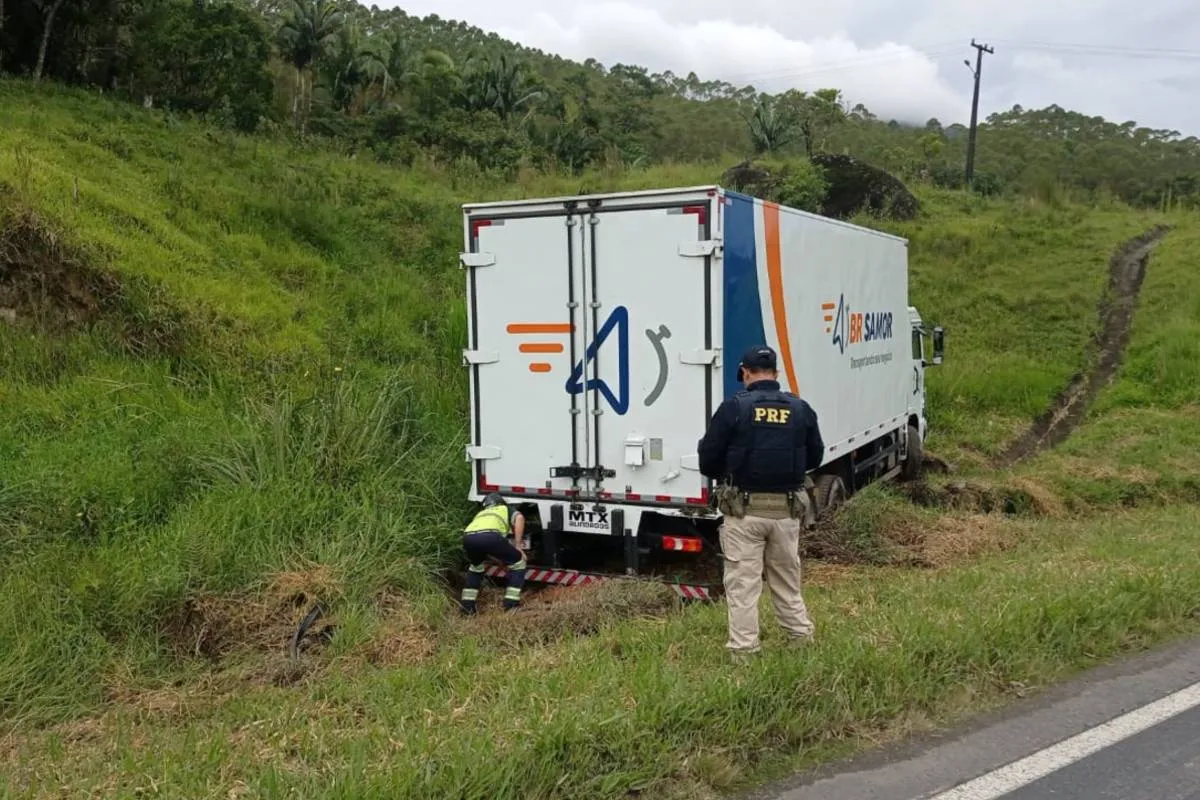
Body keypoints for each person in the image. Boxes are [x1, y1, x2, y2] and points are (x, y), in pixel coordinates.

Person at [697, 345, 825, 659]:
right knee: (787, 581)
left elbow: (708, 460)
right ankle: (800, 642)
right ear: (776, 374)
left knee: (743, 588)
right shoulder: (800, 408)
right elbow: (816, 456)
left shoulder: (734, 408)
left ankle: (744, 654)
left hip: (744, 513)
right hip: (786, 513)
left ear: (745, 373)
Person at [459, 493, 529, 615]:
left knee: (476, 568)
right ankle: (511, 606)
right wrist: (518, 546)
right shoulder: (504, 508)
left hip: (468, 538)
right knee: (519, 563)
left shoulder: (481, 513)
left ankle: (467, 608)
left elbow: (482, 542)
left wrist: (498, 560)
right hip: (491, 537)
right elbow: (519, 518)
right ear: (501, 502)